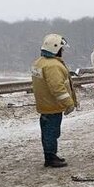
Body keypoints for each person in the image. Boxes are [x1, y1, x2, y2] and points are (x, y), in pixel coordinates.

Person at [31, 33, 77, 168]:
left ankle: (50, 154)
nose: (62, 52)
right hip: (52, 106)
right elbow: (58, 88)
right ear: (55, 48)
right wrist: (69, 103)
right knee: (52, 132)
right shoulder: (53, 66)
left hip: (44, 104)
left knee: (47, 131)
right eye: (61, 49)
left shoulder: (39, 63)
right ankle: (50, 157)